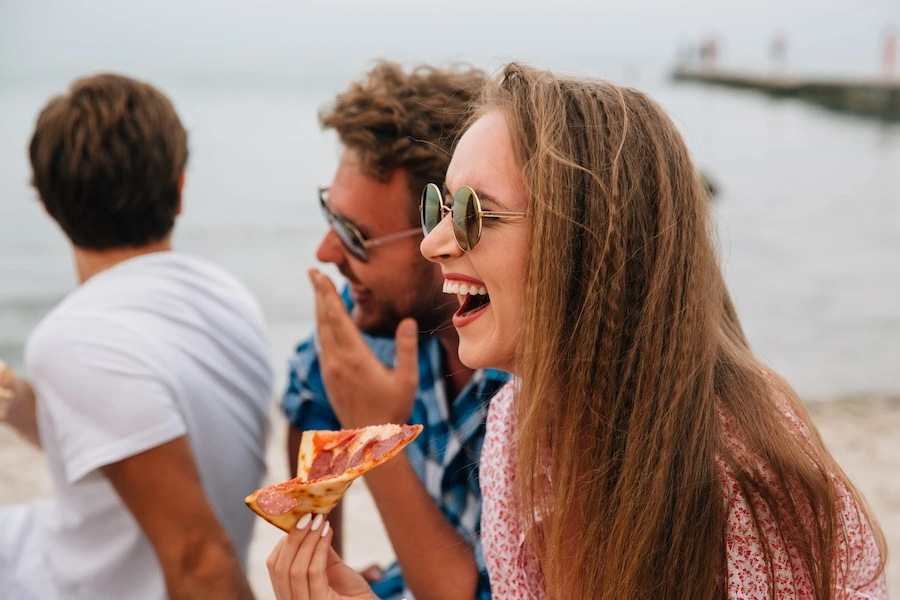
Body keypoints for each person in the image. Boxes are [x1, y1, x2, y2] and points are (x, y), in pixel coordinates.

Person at [268, 62, 888, 599]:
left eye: (471, 214)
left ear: (586, 243)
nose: (436, 243)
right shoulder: (517, 425)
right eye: (438, 207)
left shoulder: (741, 475)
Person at [0, 74, 273, 599]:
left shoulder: (77, 339)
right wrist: (12, 394)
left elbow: (201, 559)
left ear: (49, 206)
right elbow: (118, 429)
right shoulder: (227, 296)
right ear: (179, 190)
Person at [278, 60, 505, 600]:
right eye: (329, 218)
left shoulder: (523, 374)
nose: (326, 251)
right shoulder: (384, 330)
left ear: (445, 230)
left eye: (355, 235)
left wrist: (374, 430)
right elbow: (310, 388)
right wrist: (325, 562)